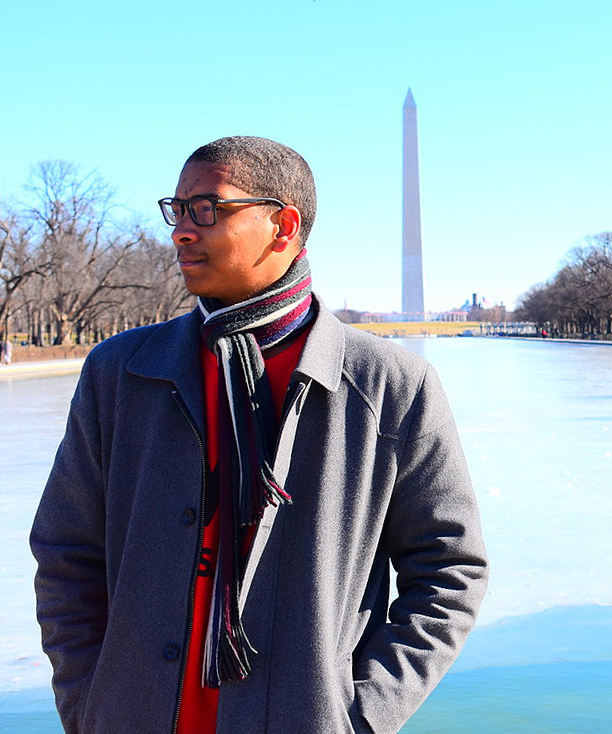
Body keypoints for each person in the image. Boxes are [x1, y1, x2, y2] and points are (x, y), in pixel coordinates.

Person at [30, 136, 488, 734]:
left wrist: (358, 718)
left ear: (283, 225)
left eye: (208, 209)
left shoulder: (388, 386)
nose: (181, 232)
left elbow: (450, 573)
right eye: (178, 209)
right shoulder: (120, 372)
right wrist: (89, 705)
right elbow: (66, 553)